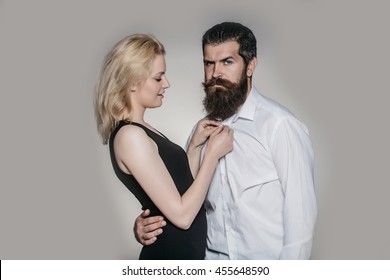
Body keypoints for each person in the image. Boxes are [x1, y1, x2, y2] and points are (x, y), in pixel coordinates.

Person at [134, 22, 317, 260]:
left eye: (227, 62)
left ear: (250, 66)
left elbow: (301, 221)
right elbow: (181, 204)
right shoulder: (200, 132)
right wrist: (145, 225)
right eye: (209, 63)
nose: (215, 74)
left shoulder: (280, 126)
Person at [93, 33, 233, 259]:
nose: (166, 84)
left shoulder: (141, 129)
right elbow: (183, 216)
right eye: (158, 78)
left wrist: (195, 147)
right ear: (131, 82)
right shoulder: (130, 136)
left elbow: (180, 189)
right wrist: (212, 156)